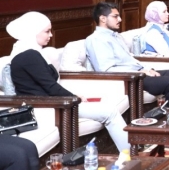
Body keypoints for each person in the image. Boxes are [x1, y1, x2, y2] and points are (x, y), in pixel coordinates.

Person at [8, 12, 131, 151]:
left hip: (53, 103)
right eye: (47, 31)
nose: (51, 35)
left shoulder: (30, 53)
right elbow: (51, 87)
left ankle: (127, 152)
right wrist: (75, 98)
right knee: (110, 111)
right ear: (33, 32)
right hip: (47, 108)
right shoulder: (28, 56)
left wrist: (74, 96)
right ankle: (129, 154)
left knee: (106, 107)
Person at [85, 2, 169, 109]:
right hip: (129, 79)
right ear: (103, 19)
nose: (120, 19)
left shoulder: (116, 36)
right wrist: (140, 72)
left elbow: (131, 59)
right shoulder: (96, 40)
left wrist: (148, 69)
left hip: (139, 73)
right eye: (115, 16)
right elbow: (106, 70)